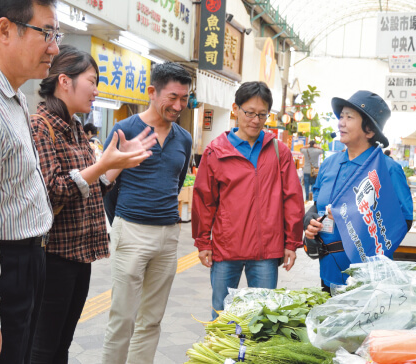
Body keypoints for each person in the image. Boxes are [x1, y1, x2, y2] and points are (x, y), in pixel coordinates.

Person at [29, 45, 156, 364]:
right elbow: (52, 193)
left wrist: (118, 164)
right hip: (52, 256)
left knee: (63, 342)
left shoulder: (73, 128)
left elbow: (89, 187)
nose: (96, 89)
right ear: (64, 81)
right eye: (92, 80)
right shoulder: (40, 127)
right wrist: (101, 166)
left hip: (78, 254)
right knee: (43, 347)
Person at [101, 62, 192, 364]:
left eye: (184, 98)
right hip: (131, 230)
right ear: (152, 92)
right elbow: (107, 183)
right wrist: (122, 223)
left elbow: (176, 184)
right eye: (172, 97)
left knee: (151, 320)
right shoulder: (124, 130)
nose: (178, 105)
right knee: (122, 319)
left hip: (168, 236)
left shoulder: (184, 138)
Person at [192, 81, 305, 319]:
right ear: (235, 108)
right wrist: (203, 242)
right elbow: (204, 200)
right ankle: (222, 356)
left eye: (262, 115)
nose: (255, 120)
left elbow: (292, 199)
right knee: (222, 315)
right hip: (226, 248)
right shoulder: (216, 151)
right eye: (249, 113)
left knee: (262, 316)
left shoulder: (278, 151)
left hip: (266, 252)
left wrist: (291, 243)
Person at [0, 1, 60, 362]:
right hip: (8, 264)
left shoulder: (14, 96)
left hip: (28, 258)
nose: (54, 46)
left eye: (56, 34)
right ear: (4, 30)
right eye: (46, 33)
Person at [304, 90, 413, 291]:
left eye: (349, 117)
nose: (341, 122)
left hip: (368, 278)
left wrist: (350, 218)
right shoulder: (329, 164)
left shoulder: (388, 169)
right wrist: (309, 224)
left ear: (369, 130)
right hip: (328, 269)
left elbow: (403, 221)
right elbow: (317, 205)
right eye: (341, 116)